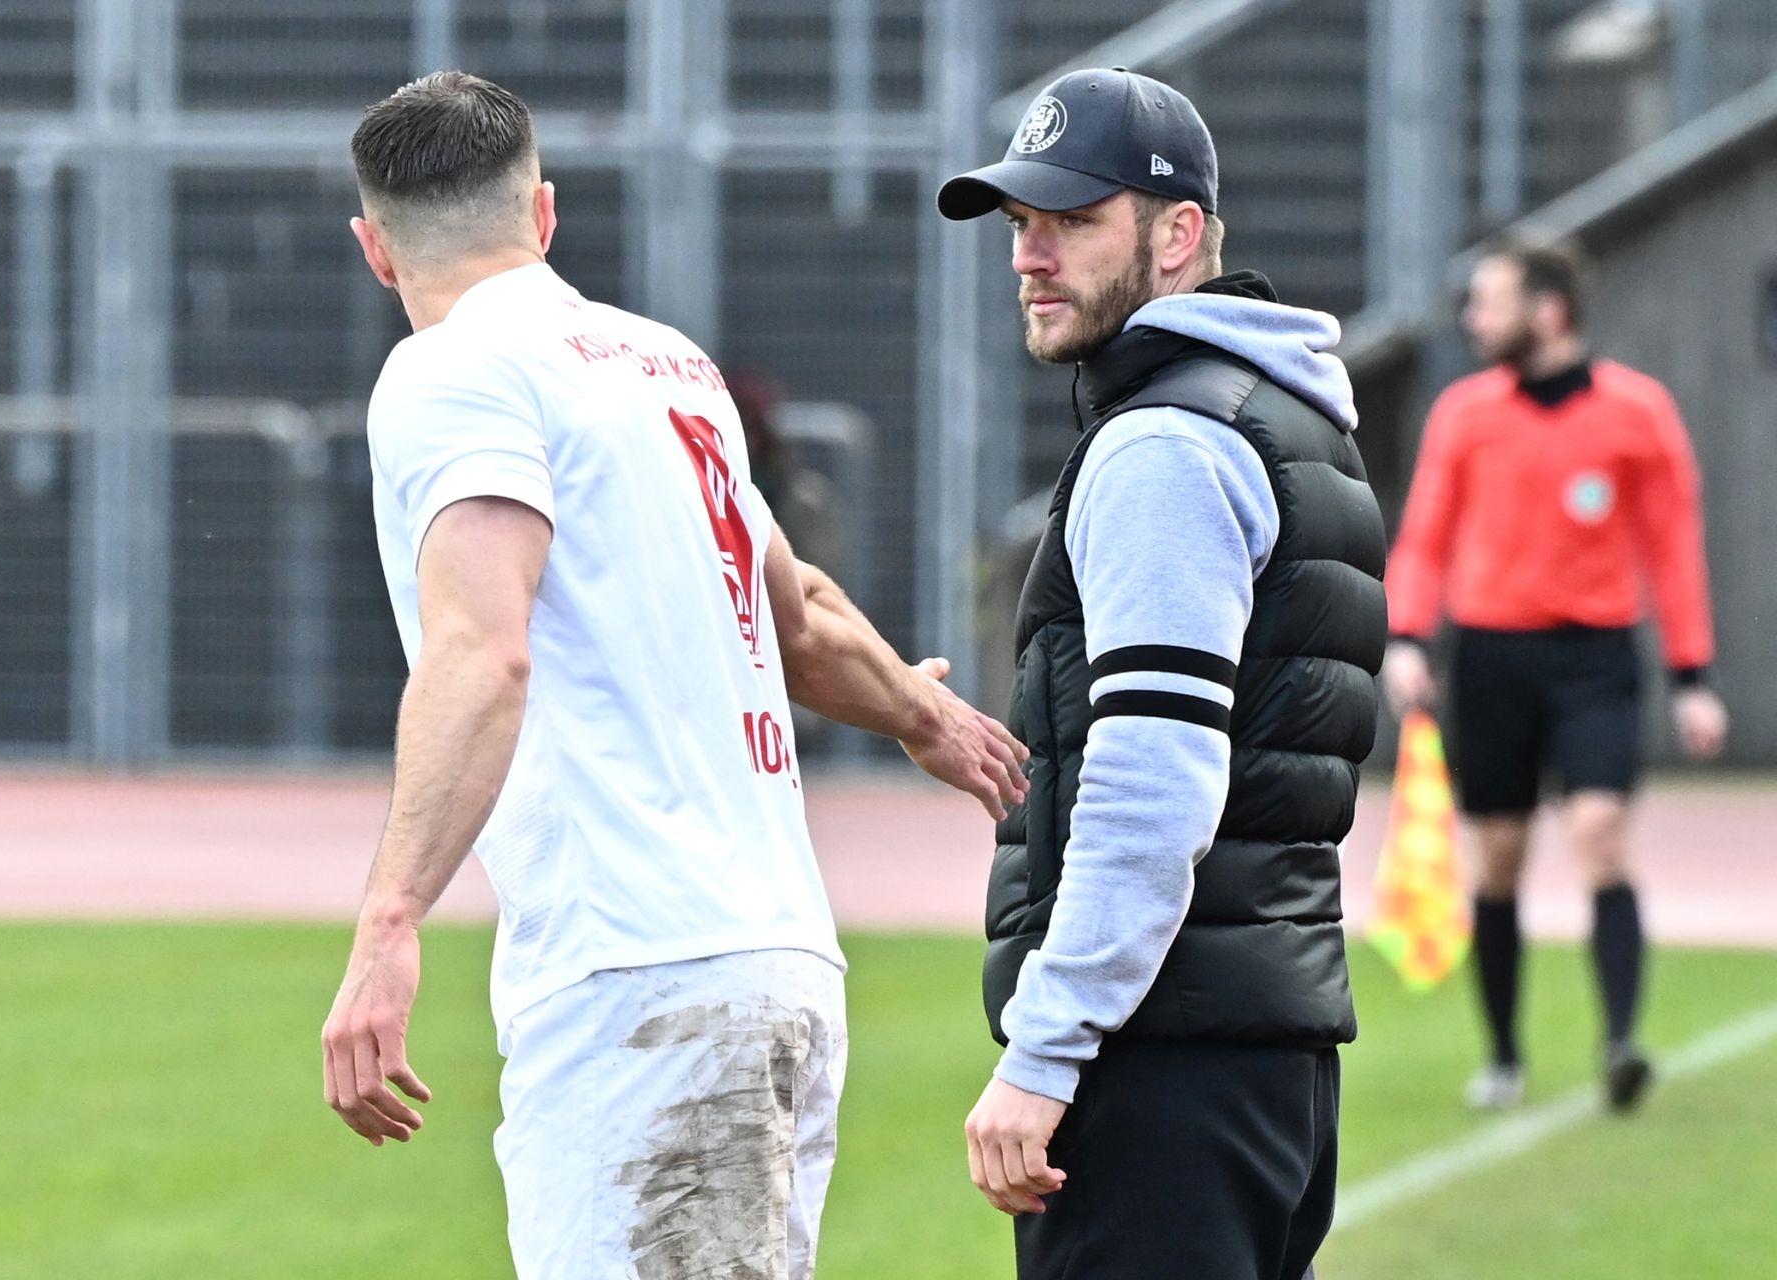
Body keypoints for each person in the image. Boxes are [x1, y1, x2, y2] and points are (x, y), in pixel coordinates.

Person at [320, 72, 1028, 1280]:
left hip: (640, 976)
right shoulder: (667, 365)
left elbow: (483, 648)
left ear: (375, 249)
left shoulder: (447, 371)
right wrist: (923, 710)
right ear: (544, 213)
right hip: (780, 959)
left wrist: (389, 918)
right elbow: (796, 609)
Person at [937, 69, 1387, 1279]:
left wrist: (1046, 1046)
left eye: (1073, 220)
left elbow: (1154, 776)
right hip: (1258, 1050)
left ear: (1177, 234)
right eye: (1019, 222)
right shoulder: (1282, 417)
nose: (1030, 255)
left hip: (1158, 1062)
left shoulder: (1164, 445)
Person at [1383, 239, 1728, 1113]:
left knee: (1602, 834)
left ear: (1549, 311)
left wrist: (1692, 675)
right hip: (1491, 659)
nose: (1474, 320)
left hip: (1594, 659)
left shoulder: (1637, 412)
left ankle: (1621, 1045)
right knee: (1498, 860)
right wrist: (1409, 636)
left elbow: (1672, 545)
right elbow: (1426, 535)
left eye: (1490, 303)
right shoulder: (1465, 414)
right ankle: (1503, 1055)